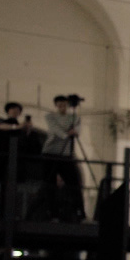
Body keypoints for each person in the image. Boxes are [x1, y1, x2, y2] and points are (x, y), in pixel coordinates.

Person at [41, 93, 86, 221]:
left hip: (66, 154)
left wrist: (73, 132)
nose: (62, 107)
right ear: (56, 105)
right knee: (50, 184)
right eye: (60, 105)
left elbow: (77, 131)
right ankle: (52, 212)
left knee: (73, 183)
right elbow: (55, 130)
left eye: (64, 105)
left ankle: (80, 211)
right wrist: (68, 134)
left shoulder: (74, 117)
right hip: (50, 153)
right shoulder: (50, 116)